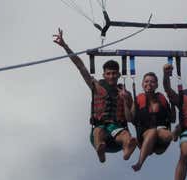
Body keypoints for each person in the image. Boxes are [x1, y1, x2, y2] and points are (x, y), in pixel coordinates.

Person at [53, 28, 137, 163]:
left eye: (114, 73)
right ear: (104, 75)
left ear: (119, 75)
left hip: (118, 136)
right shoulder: (97, 87)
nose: (111, 76)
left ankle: (127, 149)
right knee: (98, 131)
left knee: (126, 134)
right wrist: (65, 46)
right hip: (100, 132)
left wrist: (126, 101)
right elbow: (81, 67)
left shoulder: (125, 93)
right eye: (108, 73)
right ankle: (100, 151)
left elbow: (130, 118)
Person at [130, 72, 175, 172]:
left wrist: (173, 105)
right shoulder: (138, 99)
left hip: (161, 142)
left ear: (157, 85)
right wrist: (125, 101)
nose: (149, 84)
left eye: (152, 82)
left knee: (161, 132)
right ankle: (140, 162)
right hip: (144, 137)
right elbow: (130, 119)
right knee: (153, 131)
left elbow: (172, 119)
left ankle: (173, 135)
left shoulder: (162, 98)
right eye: (146, 81)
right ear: (142, 84)